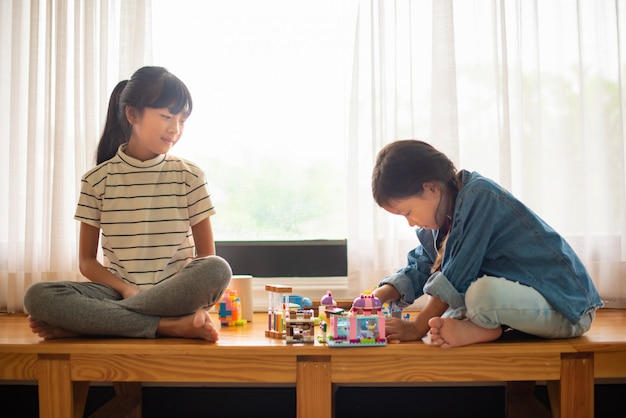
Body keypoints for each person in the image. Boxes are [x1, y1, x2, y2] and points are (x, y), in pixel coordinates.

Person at [24, 66, 231, 341]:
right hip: (117, 290)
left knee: (218, 268)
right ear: (132, 114)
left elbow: (206, 256)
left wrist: (87, 317)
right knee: (38, 296)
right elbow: (87, 261)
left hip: (174, 293)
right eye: (167, 116)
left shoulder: (189, 176)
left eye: (182, 120)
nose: (175, 129)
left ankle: (100, 321)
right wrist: (125, 290)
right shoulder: (96, 180)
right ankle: (166, 326)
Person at [369, 139, 602, 348]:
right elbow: (421, 265)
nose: (410, 223)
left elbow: (455, 275)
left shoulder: (479, 197)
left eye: (407, 212)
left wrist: (415, 328)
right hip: (526, 308)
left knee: (479, 295)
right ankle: (482, 327)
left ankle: (485, 329)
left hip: (565, 308)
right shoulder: (437, 226)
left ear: (431, 188)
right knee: (446, 315)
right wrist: (377, 296)